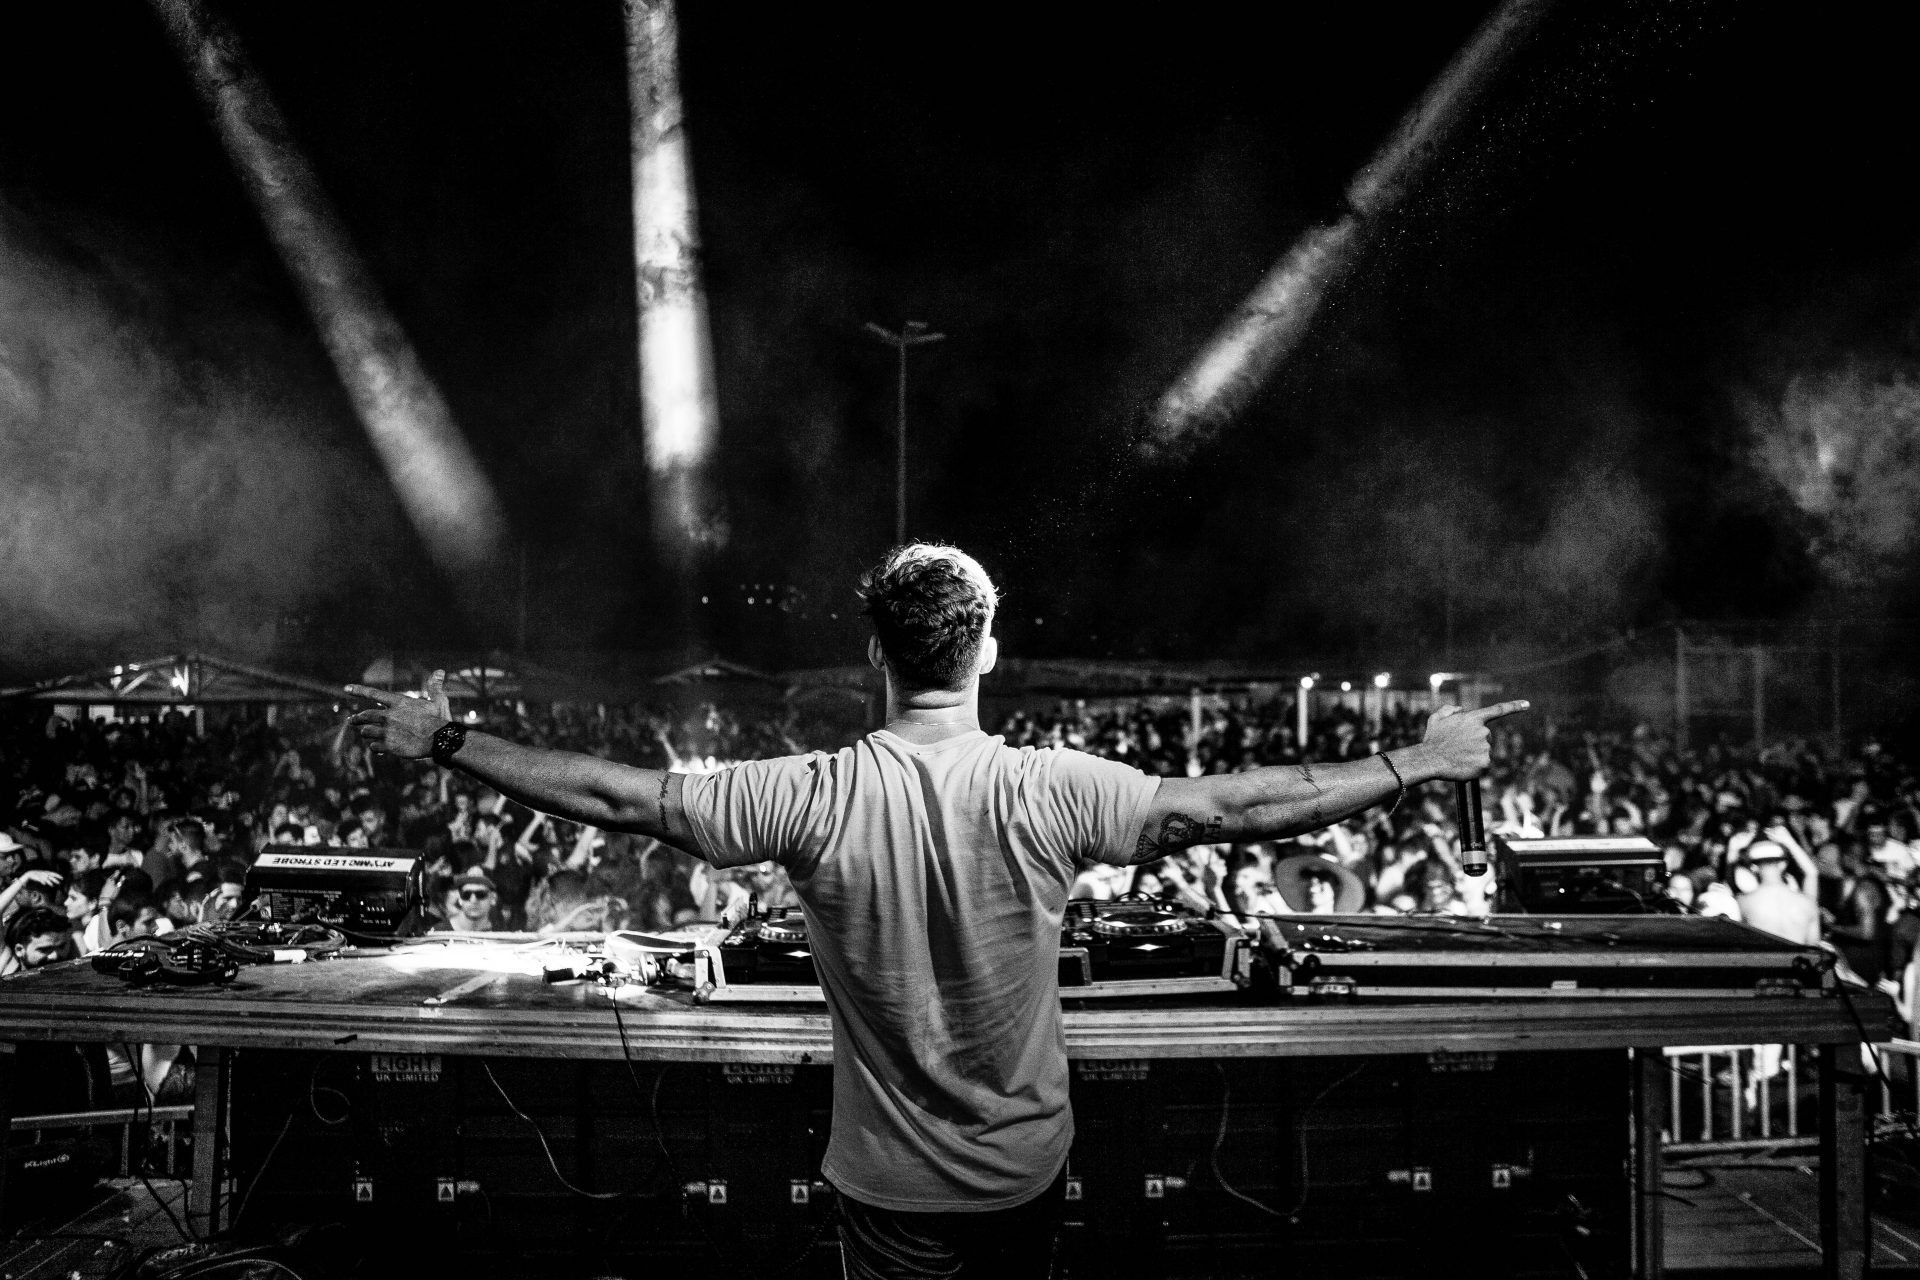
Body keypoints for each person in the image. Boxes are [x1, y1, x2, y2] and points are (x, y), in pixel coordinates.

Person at [347, 543, 1524, 1277]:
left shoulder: (810, 792)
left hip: (887, 1186)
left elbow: (618, 794)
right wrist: (1418, 762)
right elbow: (1233, 805)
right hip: (1024, 1172)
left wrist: (448, 739)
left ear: (875, 653)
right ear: (989, 652)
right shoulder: (1056, 787)